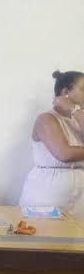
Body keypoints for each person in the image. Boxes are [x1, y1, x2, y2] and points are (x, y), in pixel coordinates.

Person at [19, 70, 84, 219]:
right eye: (83, 89)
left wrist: (75, 111)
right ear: (65, 92)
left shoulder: (79, 119)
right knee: (45, 233)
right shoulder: (46, 119)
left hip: (79, 199)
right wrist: (73, 108)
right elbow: (64, 154)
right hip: (47, 194)